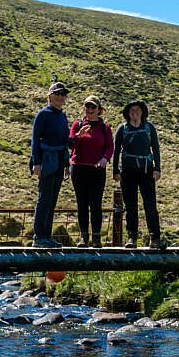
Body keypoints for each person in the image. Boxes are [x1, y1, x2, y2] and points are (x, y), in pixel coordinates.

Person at [112, 99, 164, 249]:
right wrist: (115, 170)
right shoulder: (122, 129)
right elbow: (116, 151)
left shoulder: (149, 128)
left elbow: (156, 148)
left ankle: (155, 238)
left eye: (137, 110)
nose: (134, 113)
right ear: (128, 114)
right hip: (127, 172)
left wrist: (158, 169)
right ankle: (132, 238)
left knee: (150, 205)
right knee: (131, 206)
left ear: (142, 112)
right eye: (132, 111)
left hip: (147, 170)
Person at [69, 95, 114, 247]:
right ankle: (83, 237)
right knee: (82, 204)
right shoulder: (78, 124)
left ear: (99, 110)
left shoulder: (105, 128)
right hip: (79, 168)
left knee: (96, 204)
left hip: (97, 170)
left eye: (93, 107)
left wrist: (105, 158)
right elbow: (70, 145)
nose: (89, 110)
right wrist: (78, 136)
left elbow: (110, 147)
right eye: (87, 106)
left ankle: (96, 238)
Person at [30, 81, 70, 248]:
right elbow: (35, 139)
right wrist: (36, 163)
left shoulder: (62, 116)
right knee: (44, 198)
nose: (61, 97)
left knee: (52, 199)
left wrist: (67, 164)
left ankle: (46, 236)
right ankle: (39, 237)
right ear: (50, 96)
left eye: (63, 94)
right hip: (47, 160)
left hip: (59, 161)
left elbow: (64, 141)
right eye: (58, 94)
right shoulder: (43, 114)